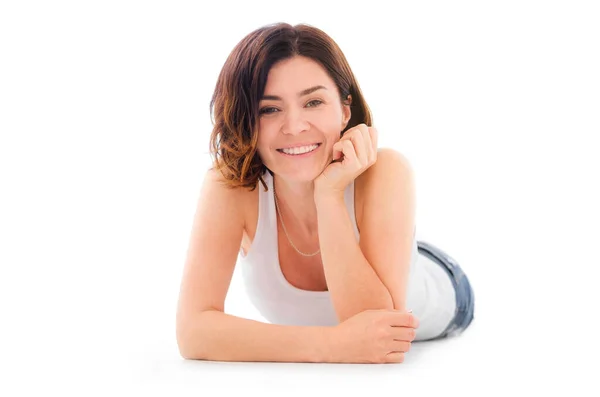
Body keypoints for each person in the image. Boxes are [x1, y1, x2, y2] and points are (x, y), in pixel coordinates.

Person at [176, 22, 475, 364]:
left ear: (345, 110)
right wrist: (331, 344)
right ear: (246, 119)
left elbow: (377, 332)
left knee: (402, 259)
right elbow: (193, 332)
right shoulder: (229, 187)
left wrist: (329, 195)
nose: (295, 126)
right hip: (379, 251)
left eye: (314, 102)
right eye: (269, 109)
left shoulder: (386, 170)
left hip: (440, 280)